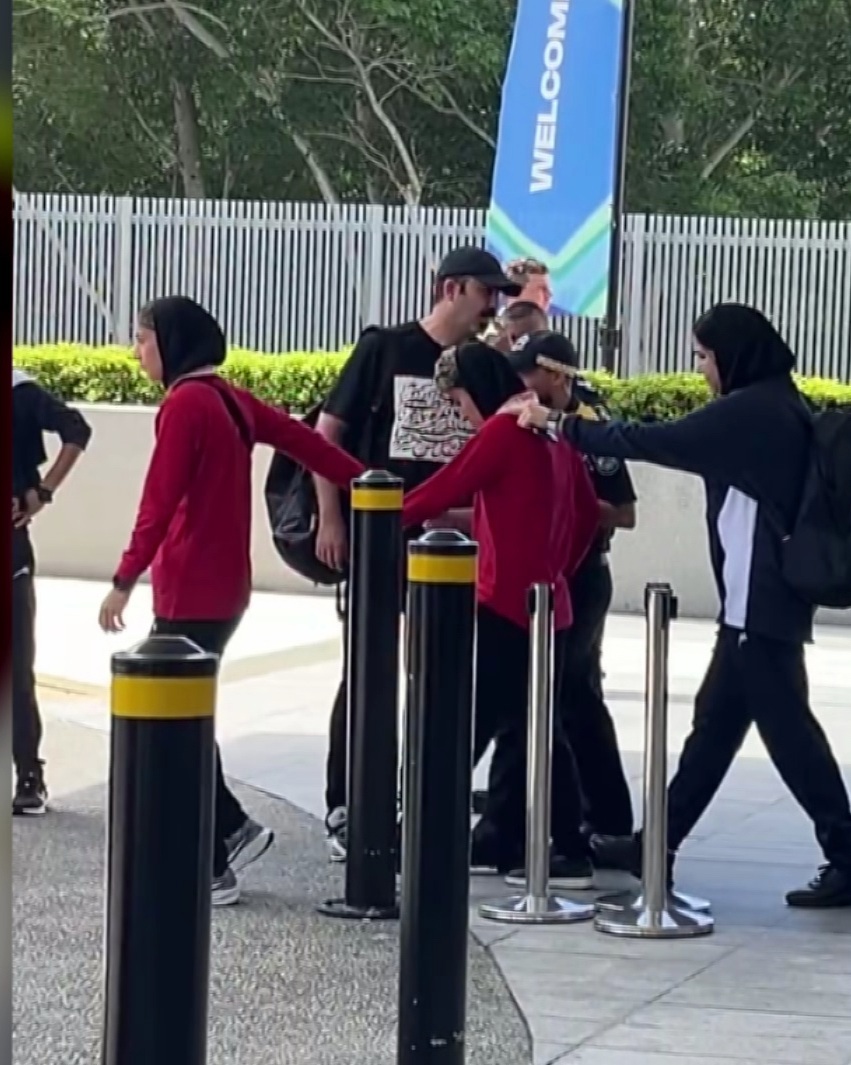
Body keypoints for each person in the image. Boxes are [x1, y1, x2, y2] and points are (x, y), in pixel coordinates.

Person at [512, 302, 851, 908]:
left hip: (761, 603)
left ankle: (847, 853)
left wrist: (558, 425)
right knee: (715, 728)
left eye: (703, 357)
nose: (700, 370)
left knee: (789, 735)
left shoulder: (752, 411)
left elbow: (653, 441)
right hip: (757, 604)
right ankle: (656, 845)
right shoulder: (775, 401)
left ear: (730, 356)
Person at [97, 296, 365, 906]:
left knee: (179, 724)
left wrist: (123, 578)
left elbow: (157, 501)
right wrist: (370, 481)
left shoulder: (186, 405)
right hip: (225, 589)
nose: (136, 351)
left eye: (143, 339)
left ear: (170, 343)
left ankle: (217, 857)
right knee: (190, 718)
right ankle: (227, 831)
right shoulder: (229, 398)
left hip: (189, 587)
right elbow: (308, 442)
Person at [312, 247, 522, 861]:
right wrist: (333, 518)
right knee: (369, 669)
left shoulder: (489, 366)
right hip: (384, 540)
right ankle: (347, 801)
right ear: (452, 288)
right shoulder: (385, 349)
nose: (495, 306)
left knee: (448, 674)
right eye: (487, 293)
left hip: (460, 550)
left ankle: (420, 798)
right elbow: (329, 433)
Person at [402, 341, 601, 886]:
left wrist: (376, 513)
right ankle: (518, 840)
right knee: (530, 726)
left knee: (477, 723)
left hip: (505, 601)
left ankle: (424, 828)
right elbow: (586, 514)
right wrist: (556, 564)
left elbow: (447, 485)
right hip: (549, 599)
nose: (462, 414)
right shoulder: (551, 429)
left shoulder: (505, 428)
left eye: (459, 401)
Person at [504, 330, 636, 839]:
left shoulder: (588, 427)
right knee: (560, 696)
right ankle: (584, 814)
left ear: (557, 374)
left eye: (530, 372)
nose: (523, 382)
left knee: (569, 696)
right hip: (548, 574)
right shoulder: (529, 420)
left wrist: (567, 503)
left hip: (582, 576)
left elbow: (624, 514)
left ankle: (598, 818)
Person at [12, 369, 92, 814]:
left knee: (18, 668)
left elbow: (77, 429)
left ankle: (29, 774)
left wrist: (43, 491)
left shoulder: (20, 392)